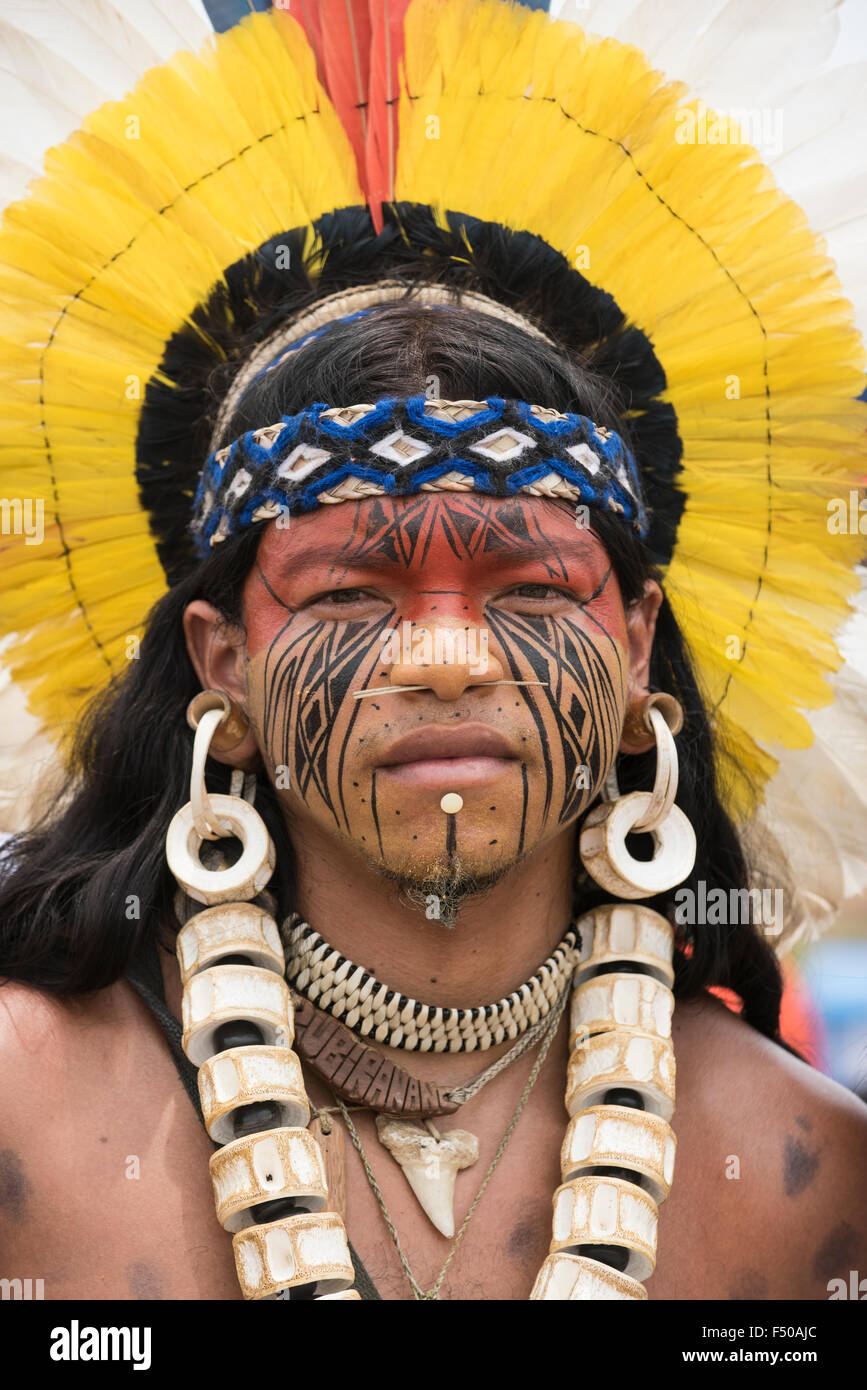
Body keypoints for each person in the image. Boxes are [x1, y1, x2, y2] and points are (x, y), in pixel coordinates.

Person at [1, 269, 866, 1301]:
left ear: (635, 647)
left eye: (535, 590)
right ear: (224, 662)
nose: (447, 656)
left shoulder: (803, 1169)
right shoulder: (25, 1099)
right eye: (352, 593)